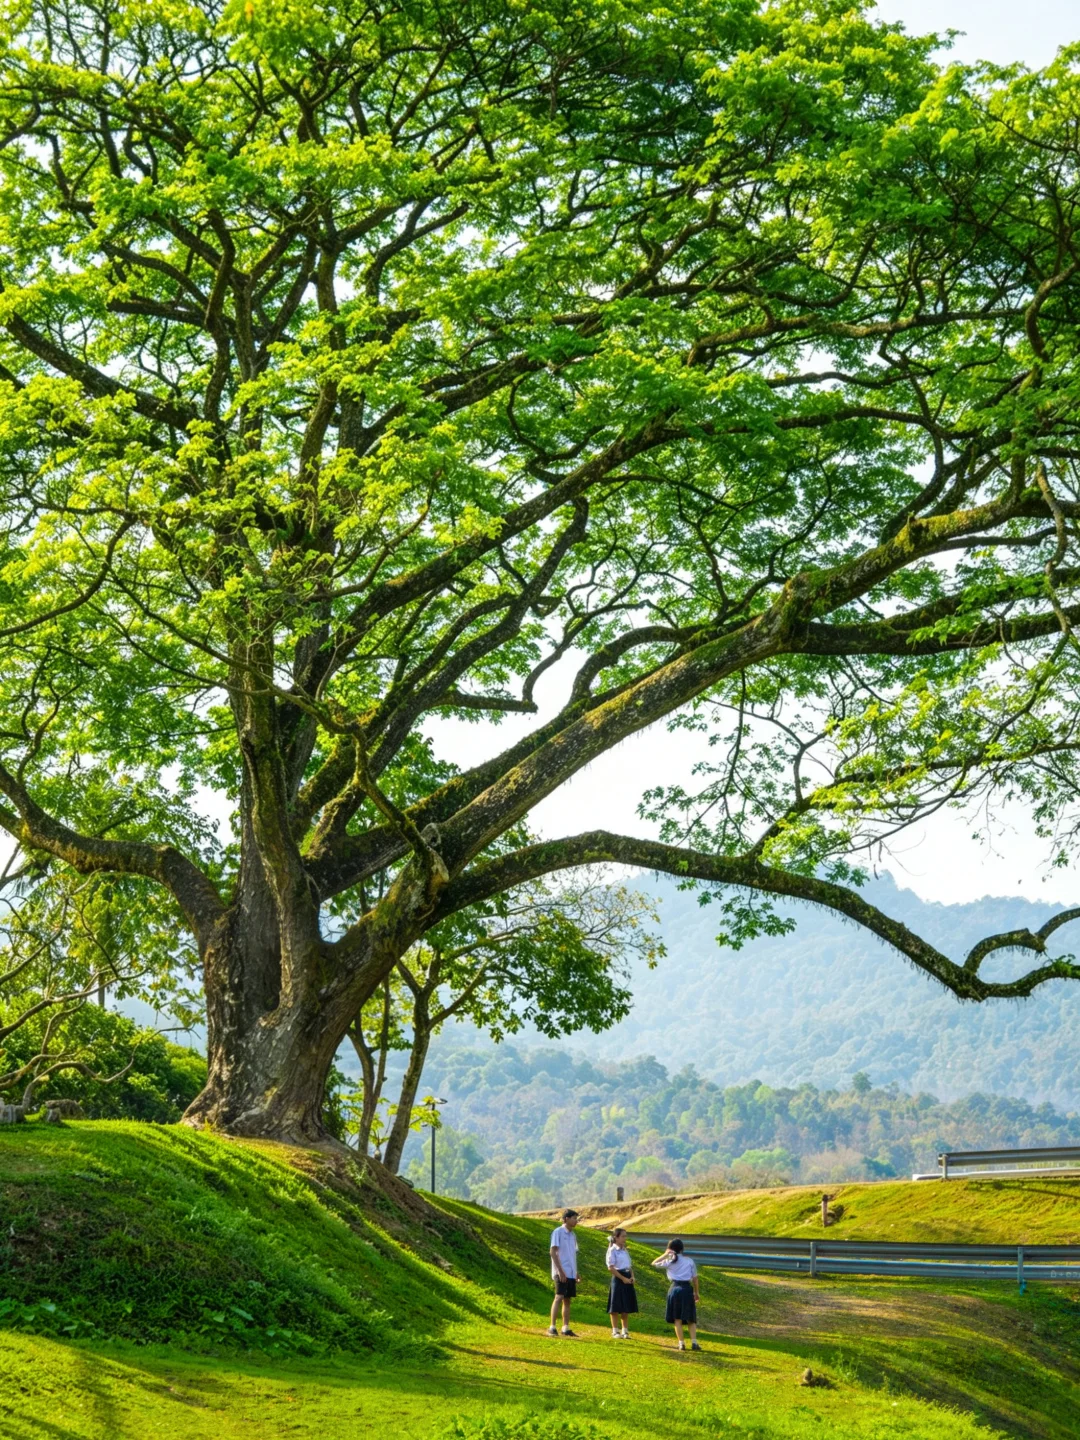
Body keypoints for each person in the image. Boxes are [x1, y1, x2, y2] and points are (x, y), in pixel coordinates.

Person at [652, 1238, 702, 1351]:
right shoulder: (689, 1261)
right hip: (687, 1289)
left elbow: (654, 1263)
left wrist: (665, 1255)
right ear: (682, 1249)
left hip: (674, 1289)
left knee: (677, 1318)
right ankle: (694, 1343)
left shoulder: (670, 1259)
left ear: (670, 1249)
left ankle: (681, 1343)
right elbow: (695, 1279)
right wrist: (696, 1292)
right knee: (690, 1317)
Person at [547, 1208, 580, 1336]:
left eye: (576, 1219)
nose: (576, 1221)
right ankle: (552, 1327)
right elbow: (553, 1252)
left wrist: (576, 1272)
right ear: (566, 1219)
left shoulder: (573, 1235)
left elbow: (572, 1255)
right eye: (574, 1218)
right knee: (559, 1297)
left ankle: (565, 1327)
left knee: (567, 1299)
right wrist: (560, 1271)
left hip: (571, 1272)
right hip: (560, 1270)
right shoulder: (558, 1232)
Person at [605, 1227, 638, 1338]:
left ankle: (625, 1330)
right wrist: (622, 1278)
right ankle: (615, 1330)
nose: (625, 1238)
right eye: (623, 1236)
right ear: (616, 1237)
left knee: (626, 1306)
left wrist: (632, 1276)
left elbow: (629, 1266)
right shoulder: (612, 1250)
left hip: (627, 1277)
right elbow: (611, 1267)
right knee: (615, 1305)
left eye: (625, 1236)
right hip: (618, 1278)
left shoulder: (625, 1250)